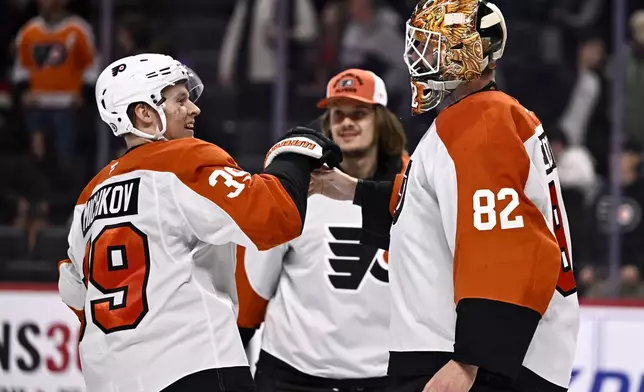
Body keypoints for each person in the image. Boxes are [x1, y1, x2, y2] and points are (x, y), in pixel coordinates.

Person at [310, 1, 579, 391]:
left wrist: (471, 360)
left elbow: (507, 245)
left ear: (468, 53)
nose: (423, 57)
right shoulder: (473, 118)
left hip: (479, 362)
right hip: (477, 354)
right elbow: (429, 218)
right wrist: (352, 191)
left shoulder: (483, 123)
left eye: (436, 46)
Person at [57, 53, 342, 392]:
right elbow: (275, 216)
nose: (194, 109)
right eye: (180, 99)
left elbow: (75, 292)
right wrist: (292, 156)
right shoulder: (182, 160)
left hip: (109, 378)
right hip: (191, 365)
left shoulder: (88, 197)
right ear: (144, 113)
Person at [237, 69, 408, 392]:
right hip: (292, 374)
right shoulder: (299, 187)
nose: (346, 123)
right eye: (338, 114)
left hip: (385, 378)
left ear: (381, 120)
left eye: (359, 113)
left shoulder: (412, 189)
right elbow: (255, 285)